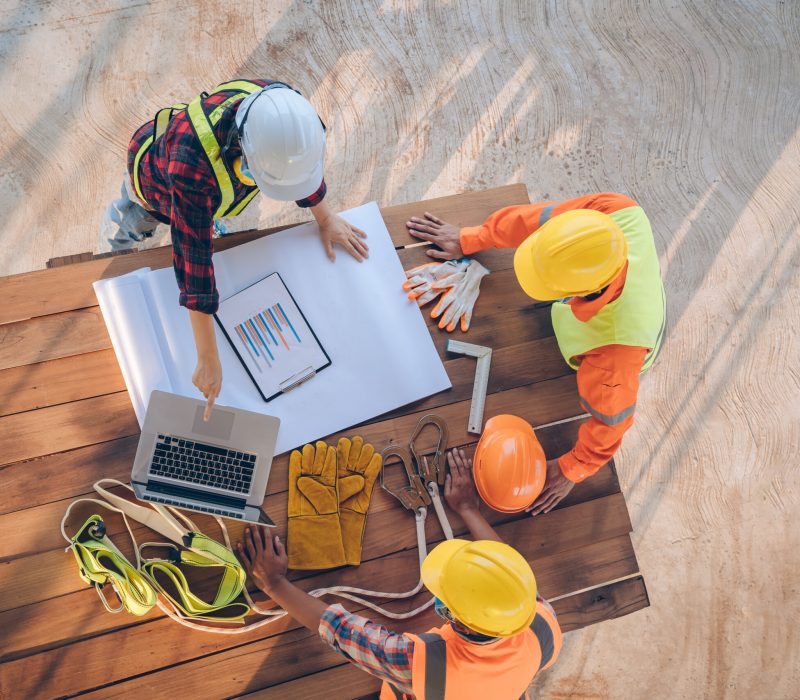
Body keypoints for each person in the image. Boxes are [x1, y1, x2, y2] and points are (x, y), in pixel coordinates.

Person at [102, 79, 369, 418]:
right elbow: (193, 258)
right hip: (153, 187)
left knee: (201, 215)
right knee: (131, 227)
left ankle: (206, 216)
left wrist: (325, 216)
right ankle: (117, 238)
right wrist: (208, 358)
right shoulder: (191, 167)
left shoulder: (283, 111)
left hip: (201, 190)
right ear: (241, 151)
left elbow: (298, 168)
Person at [405, 193, 665, 514]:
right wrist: (472, 238)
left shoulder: (612, 361)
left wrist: (573, 468)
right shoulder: (614, 211)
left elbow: (612, 425)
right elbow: (535, 219)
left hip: (620, 344)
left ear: (580, 292)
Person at [238, 448, 562, 699]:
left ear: (457, 618)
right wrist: (467, 508)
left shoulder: (421, 667)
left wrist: (274, 584)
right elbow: (504, 574)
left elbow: (344, 632)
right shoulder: (540, 623)